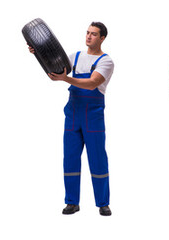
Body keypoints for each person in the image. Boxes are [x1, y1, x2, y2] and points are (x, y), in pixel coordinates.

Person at [29, 22, 114, 216]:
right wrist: (38, 53)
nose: (89, 36)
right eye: (87, 33)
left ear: (102, 38)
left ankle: (103, 203)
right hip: (73, 115)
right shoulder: (74, 56)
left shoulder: (106, 61)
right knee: (70, 159)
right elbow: (55, 73)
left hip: (93, 118)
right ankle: (72, 202)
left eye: (93, 34)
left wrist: (66, 79)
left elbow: (92, 83)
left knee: (98, 159)